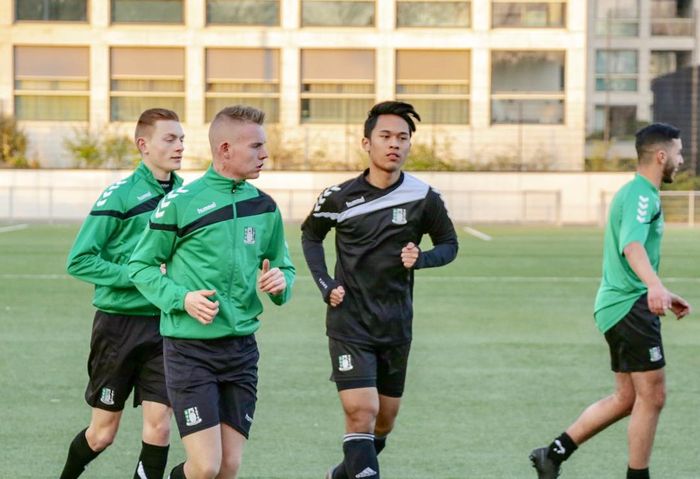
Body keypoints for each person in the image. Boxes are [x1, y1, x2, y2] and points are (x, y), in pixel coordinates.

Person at [128, 105, 295, 479]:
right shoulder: (182, 202)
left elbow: (283, 265)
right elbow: (140, 266)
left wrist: (281, 282)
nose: (264, 154)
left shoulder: (264, 207)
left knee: (228, 467)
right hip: (190, 351)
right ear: (224, 149)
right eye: (255, 146)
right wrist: (182, 299)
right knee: (205, 467)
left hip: (241, 351)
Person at [301, 101, 459, 479]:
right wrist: (326, 284)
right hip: (349, 323)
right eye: (386, 136)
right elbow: (310, 236)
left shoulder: (424, 197)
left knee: (383, 422)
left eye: (402, 138)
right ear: (366, 143)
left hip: (395, 325)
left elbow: (449, 245)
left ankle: (341, 475)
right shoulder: (338, 196)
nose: (395, 144)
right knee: (361, 412)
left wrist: (421, 258)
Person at [529, 123, 692, 479]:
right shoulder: (642, 195)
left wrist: (661, 288)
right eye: (678, 153)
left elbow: (635, 252)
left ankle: (553, 453)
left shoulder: (637, 193)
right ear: (661, 155)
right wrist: (653, 287)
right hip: (629, 306)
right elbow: (631, 246)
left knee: (627, 398)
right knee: (653, 396)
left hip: (619, 305)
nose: (681, 160)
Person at [60, 108, 185, 479]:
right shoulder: (120, 195)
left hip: (167, 325)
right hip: (118, 327)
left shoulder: (188, 195)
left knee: (160, 425)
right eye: (170, 138)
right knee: (102, 434)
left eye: (182, 139)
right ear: (143, 145)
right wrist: (140, 276)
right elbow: (79, 260)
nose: (179, 146)